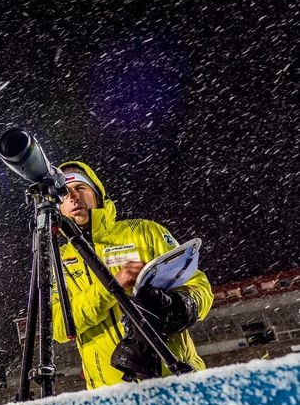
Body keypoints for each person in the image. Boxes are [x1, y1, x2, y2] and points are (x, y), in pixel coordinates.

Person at [52, 161, 214, 389]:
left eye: (80, 188)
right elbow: (59, 326)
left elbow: (199, 286)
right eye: (64, 194)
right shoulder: (57, 261)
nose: (73, 197)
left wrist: (180, 305)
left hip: (176, 379)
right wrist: (112, 286)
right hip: (109, 395)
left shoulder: (145, 231)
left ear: (97, 194)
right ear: (58, 207)